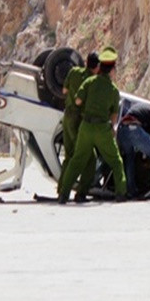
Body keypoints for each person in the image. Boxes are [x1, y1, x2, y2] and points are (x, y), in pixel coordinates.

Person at [58, 47, 127, 204]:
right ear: (111, 70)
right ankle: (121, 193)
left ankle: (63, 194)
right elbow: (114, 115)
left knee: (76, 160)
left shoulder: (89, 82)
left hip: (86, 127)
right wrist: (113, 129)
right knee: (116, 161)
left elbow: (77, 101)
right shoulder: (113, 90)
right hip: (102, 128)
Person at [57, 52, 99, 200]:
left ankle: (61, 189)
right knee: (90, 158)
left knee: (69, 154)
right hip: (79, 120)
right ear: (97, 67)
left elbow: (64, 91)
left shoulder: (73, 72)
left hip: (67, 117)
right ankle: (81, 193)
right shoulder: (93, 81)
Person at [118, 96, 150, 200]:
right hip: (135, 130)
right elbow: (148, 135)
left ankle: (131, 191)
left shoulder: (141, 106)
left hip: (122, 130)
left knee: (129, 157)